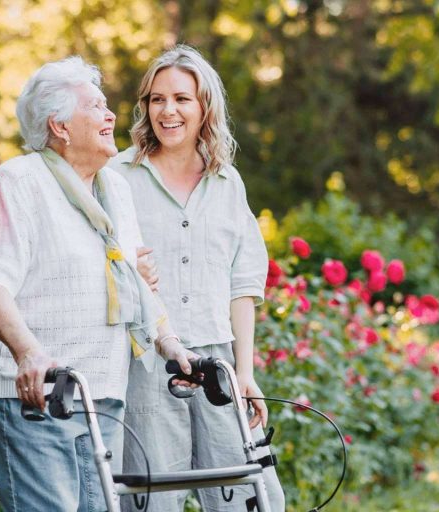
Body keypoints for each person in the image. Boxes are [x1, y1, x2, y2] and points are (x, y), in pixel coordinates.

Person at [0, 56, 193, 511]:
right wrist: (28, 351)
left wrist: (171, 345)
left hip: (101, 391)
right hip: (38, 393)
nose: (111, 115)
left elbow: (135, 281)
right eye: (95, 106)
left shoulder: (115, 189)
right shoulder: (21, 180)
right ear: (60, 126)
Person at [108, 45, 286, 511]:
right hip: (145, 366)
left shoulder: (228, 183)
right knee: (151, 502)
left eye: (182, 99)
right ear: (145, 106)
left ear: (205, 106)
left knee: (251, 498)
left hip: (217, 365)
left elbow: (243, 285)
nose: (168, 111)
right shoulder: (115, 177)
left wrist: (245, 374)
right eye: (157, 99)